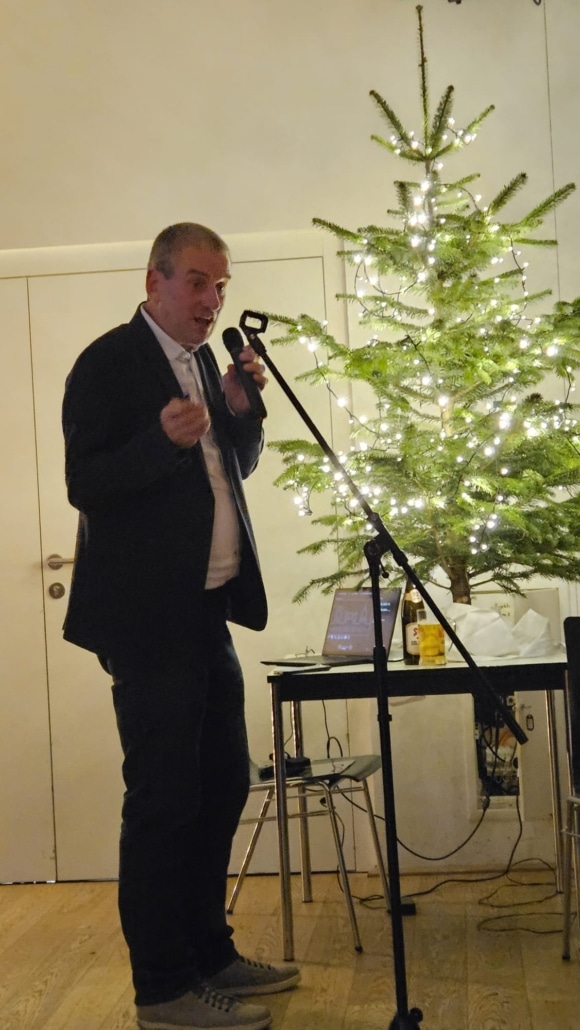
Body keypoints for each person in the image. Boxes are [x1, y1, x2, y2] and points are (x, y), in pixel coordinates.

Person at [62, 222, 299, 1030]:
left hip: (207, 609)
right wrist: (159, 442)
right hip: (147, 620)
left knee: (224, 782)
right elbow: (85, 481)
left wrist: (242, 412)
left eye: (221, 286)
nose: (213, 301)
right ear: (155, 280)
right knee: (164, 799)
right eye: (198, 282)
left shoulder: (203, 363)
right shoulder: (107, 364)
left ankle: (209, 953)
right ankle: (163, 989)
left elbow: (234, 465)